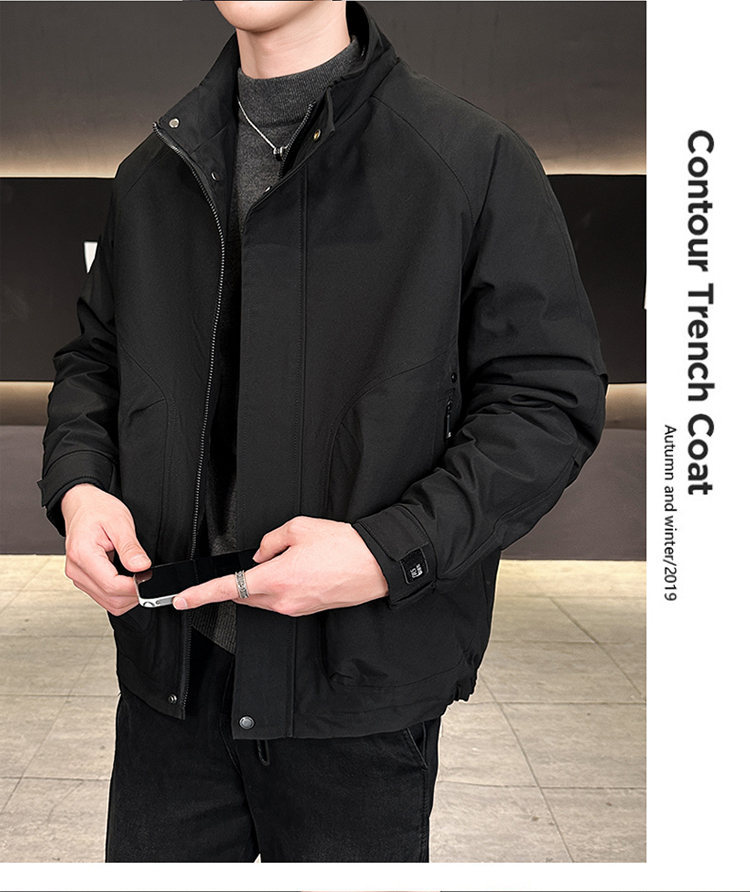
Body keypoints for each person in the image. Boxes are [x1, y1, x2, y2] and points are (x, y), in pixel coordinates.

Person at [38, 0, 607, 863]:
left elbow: (545, 403)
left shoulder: (471, 161)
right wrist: (81, 486)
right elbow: (96, 363)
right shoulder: (151, 174)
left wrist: (387, 551)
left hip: (357, 699)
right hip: (171, 688)